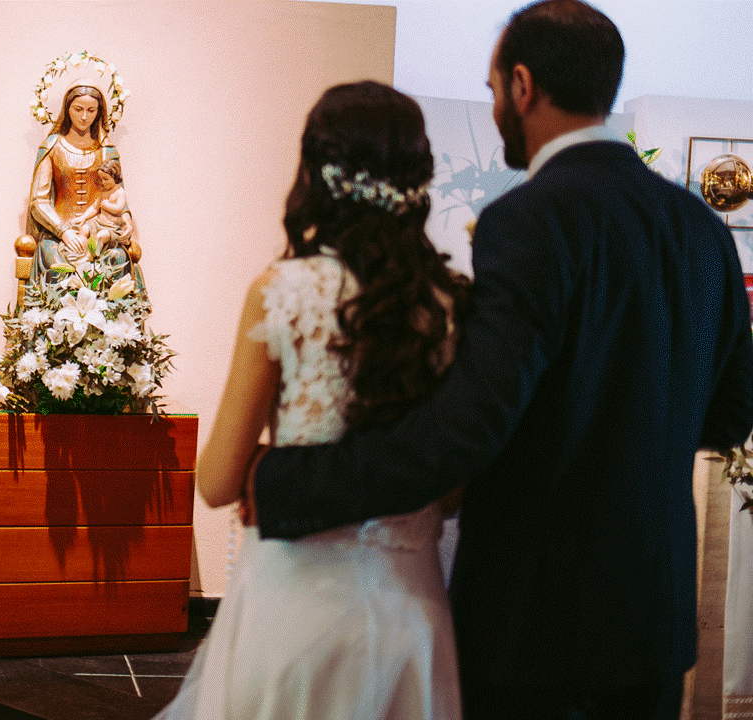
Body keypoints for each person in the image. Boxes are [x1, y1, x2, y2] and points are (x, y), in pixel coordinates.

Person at [250, 2, 753, 719]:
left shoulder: (529, 219)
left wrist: (291, 481)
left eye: (491, 91)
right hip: (652, 617)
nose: (493, 109)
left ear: (523, 85)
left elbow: (471, 424)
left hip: (536, 621)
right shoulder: (700, 228)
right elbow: (732, 412)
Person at [154, 81, 469, 720]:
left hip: (293, 609)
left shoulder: (284, 292)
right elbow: (455, 485)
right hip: (409, 612)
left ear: (314, 172)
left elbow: (215, 482)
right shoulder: (451, 306)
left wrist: (263, 464)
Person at [26, 83, 145, 293]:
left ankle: (110, 324)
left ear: (99, 112)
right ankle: (54, 324)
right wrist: (63, 232)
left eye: (91, 110)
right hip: (58, 233)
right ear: (67, 109)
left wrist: (126, 221)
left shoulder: (106, 150)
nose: (84, 117)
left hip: (101, 229)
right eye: (77, 109)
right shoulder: (52, 147)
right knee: (57, 264)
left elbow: (119, 194)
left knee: (115, 259)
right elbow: (39, 201)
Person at [70, 158, 129, 260]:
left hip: (112, 227)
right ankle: (79, 252)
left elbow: (119, 208)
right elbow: (94, 207)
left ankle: (89, 258)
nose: (103, 182)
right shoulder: (103, 192)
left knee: (101, 236)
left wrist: (107, 206)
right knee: (84, 229)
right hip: (97, 224)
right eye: (101, 179)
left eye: (105, 179)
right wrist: (84, 217)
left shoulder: (120, 192)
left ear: (115, 177)